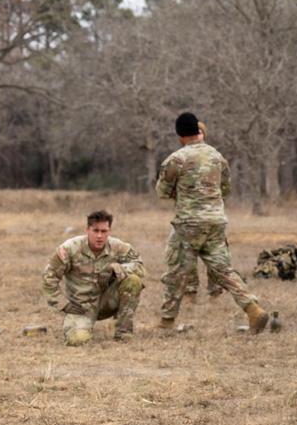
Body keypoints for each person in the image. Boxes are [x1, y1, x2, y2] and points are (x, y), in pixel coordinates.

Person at [154, 112, 270, 334]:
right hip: (216, 222)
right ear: (199, 131)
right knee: (223, 269)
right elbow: (225, 189)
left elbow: (162, 192)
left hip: (189, 223)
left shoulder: (176, 159)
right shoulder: (218, 157)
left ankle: (167, 320)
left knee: (177, 271)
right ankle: (254, 310)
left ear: (180, 135)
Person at [41, 210, 145, 345]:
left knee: (133, 280)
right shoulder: (70, 249)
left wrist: (115, 268)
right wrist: (63, 304)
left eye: (104, 231)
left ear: (109, 231)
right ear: (87, 230)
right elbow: (48, 278)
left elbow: (140, 267)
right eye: (95, 231)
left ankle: (122, 331)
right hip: (81, 307)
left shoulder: (118, 247)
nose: (99, 236)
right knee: (77, 341)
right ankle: (81, 328)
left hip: (107, 302)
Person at [183, 121, 224, 304]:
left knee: (215, 257)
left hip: (211, 215)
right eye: (195, 132)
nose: (198, 134)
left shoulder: (215, 157)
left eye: (200, 132)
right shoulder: (182, 158)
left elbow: (225, 184)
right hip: (189, 216)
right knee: (188, 257)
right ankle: (190, 292)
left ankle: (215, 292)